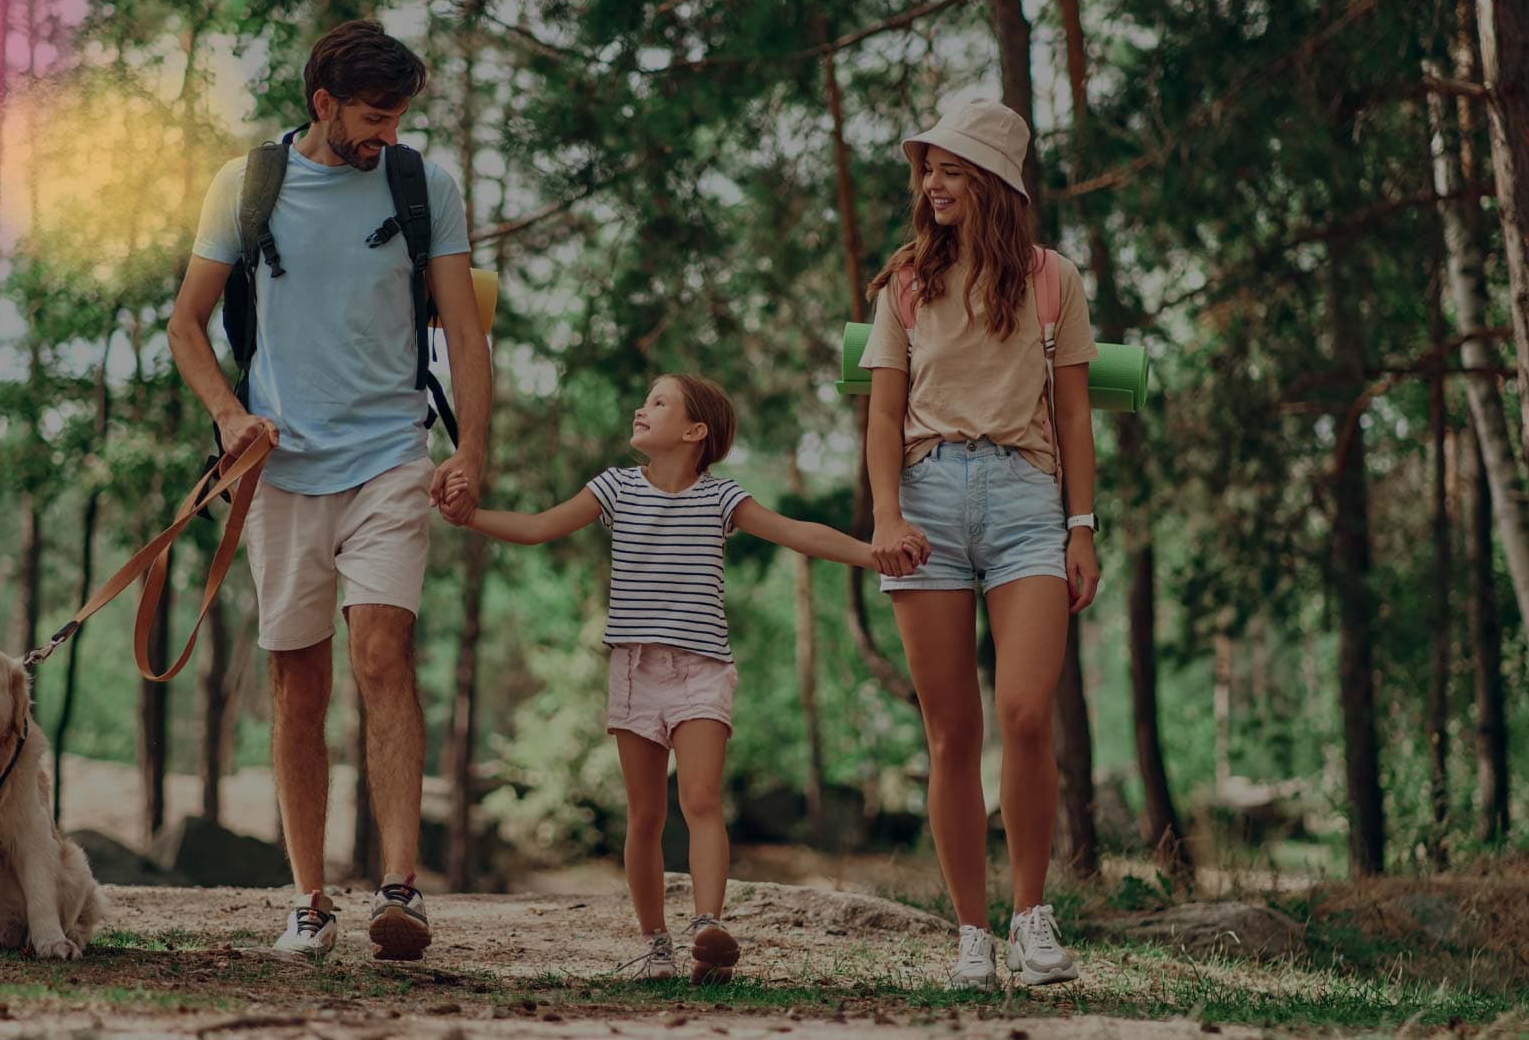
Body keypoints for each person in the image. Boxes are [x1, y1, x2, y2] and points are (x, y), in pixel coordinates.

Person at [168, 20, 491, 962]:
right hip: (279, 466)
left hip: (392, 451)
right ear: (322, 102)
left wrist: (470, 447)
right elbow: (187, 325)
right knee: (295, 680)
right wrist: (231, 420)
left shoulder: (422, 185)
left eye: (398, 116)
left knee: (382, 652)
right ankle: (309, 899)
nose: (386, 133)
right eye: (372, 116)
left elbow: (464, 334)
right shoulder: (246, 186)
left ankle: (401, 889)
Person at [438, 374, 920, 982]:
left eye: (659, 402)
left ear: (696, 432)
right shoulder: (614, 488)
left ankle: (708, 928)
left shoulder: (721, 499)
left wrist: (874, 550)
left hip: (701, 669)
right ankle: (654, 945)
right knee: (645, 816)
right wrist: (471, 517)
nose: (642, 408)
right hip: (636, 669)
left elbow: (798, 533)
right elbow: (538, 527)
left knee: (700, 800)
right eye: (645, 399)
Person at [860, 97, 1101, 989]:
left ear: (992, 183)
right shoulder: (906, 284)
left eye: (949, 169)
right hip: (925, 501)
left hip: (1026, 502)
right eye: (927, 169)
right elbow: (883, 415)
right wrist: (886, 516)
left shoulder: (1051, 279)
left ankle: (1031, 917)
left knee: (1026, 713)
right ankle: (970, 932)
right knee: (951, 734)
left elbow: (1072, 411)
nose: (930, 183)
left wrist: (1081, 524)